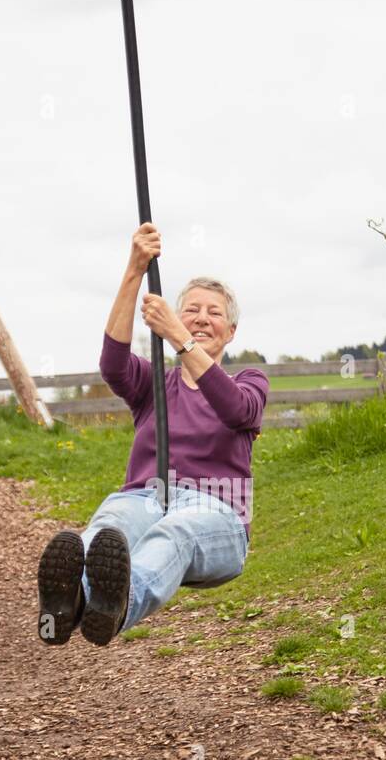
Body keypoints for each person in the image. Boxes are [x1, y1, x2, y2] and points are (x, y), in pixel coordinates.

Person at [37, 223, 268, 647]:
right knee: (111, 525)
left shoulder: (250, 381)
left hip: (217, 512)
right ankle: (70, 603)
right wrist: (134, 269)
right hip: (146, 497)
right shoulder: (154, 386)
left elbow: (234, 408)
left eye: (214, 312)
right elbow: (113, 362)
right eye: (191, 310)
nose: (201, 318)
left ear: (231, 332)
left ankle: (120, 604)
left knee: (176, 532)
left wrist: (177, 337)